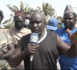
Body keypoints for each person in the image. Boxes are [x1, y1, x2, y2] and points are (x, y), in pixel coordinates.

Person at [8, 12, 77, 70]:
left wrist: (73, 44)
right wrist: (25, 52)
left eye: (38, 22)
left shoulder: (54, 37)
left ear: (44, 24)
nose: (34, 25)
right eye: (32, 22)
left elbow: (70, 54)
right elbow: (12, 63)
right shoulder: (24, 39)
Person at [55, 5, 77, 69]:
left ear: (75, 20)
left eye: (70, 19)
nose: (67, 20)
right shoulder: (56, 33)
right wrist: (72, 45)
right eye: (65, 18)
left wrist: (60, 45)